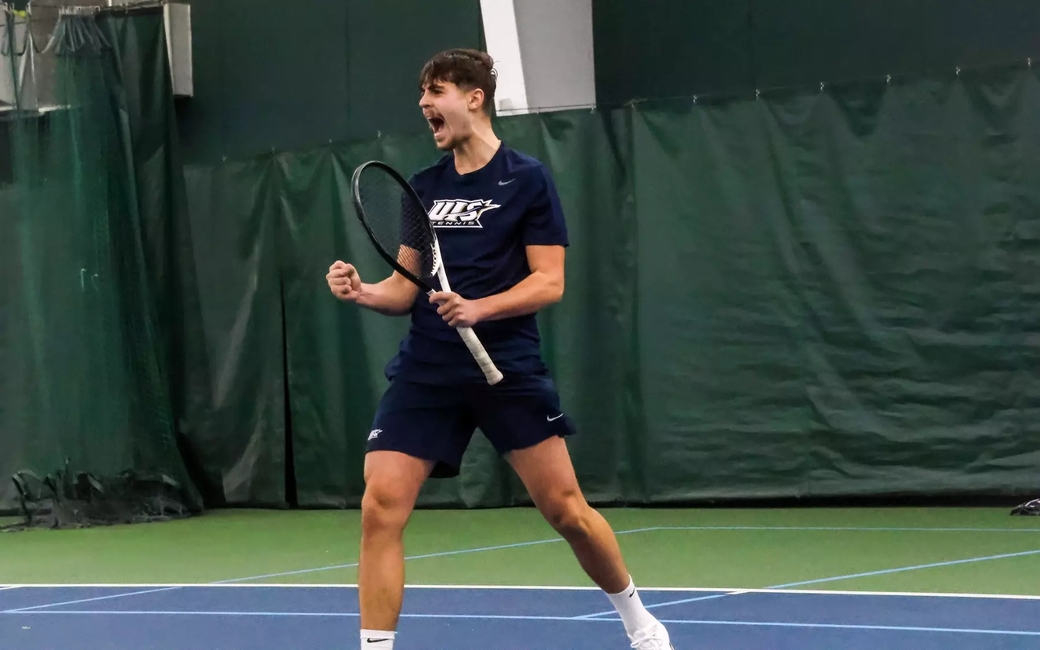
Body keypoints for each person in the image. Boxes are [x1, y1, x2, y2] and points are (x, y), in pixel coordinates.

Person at [326, 48, 675, 650]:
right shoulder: (423, 190)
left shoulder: (528, 179)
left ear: (473, 98)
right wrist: (362, 292)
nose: (423, 104)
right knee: (380, 507)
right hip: (427, 370)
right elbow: (405, 288)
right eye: (422, 94)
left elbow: (550, 281)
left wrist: (480, 308)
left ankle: (639, 622)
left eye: (434, 91)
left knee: (567, 511)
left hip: (506, 370)